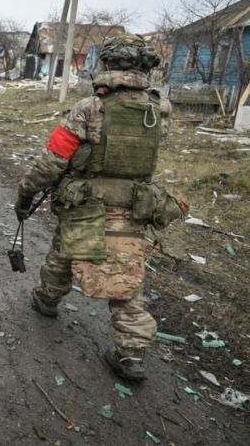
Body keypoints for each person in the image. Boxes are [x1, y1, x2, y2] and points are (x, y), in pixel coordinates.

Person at [14, 34, 185, 382]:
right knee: (126, 275)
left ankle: (47, 300)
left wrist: (26, 195)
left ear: (105, 65)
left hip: (86, 203)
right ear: (145, 68)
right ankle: (131, 354)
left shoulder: (90, 108)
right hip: (134, 207)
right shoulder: (159, 109)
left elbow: (53, 161)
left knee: (66, 249)